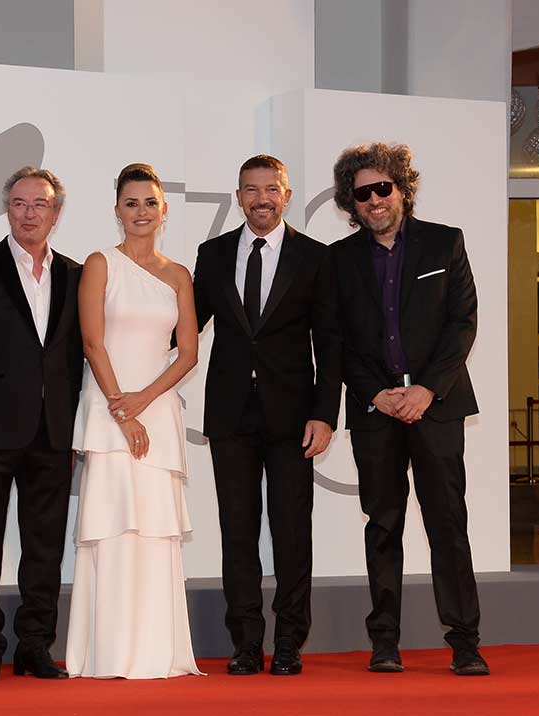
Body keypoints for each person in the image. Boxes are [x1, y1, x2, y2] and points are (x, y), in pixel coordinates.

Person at [330, 143, 489, 676]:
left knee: (448, 524)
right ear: (351, 203)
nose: (375, 199)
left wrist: (426, 390)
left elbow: (462, 322)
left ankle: (465, 642)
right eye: (363, 193)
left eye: (383, 188)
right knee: (383, 523)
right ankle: (385, 642)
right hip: (376, 411)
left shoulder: (445, 243)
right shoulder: (340, 260)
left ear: (402, 188)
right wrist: (375, 392)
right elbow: (337, 341)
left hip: (436, 407)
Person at [191, 155, 341, 676]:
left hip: (293, 418)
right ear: (238, 197)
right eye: (251, 190)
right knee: (237, 532)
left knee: (292, 533)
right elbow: (184, 328)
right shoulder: (211, 256)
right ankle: (246, 643)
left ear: (287, 194)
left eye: (271, 189)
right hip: (230, 416)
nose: (261, 198)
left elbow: (331, 344)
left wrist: (325, 414)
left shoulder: (315, 258)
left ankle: (290, 642)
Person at [65, 163, 203, 679]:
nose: (141, 212)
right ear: (116, 210)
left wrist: (142, 401)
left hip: (156, 410)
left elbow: (187, 353)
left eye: (150, 202)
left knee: (153, 530)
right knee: (113, 526)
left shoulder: (178, 275)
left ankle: (154, 652)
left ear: (163, 209)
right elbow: (92, 342)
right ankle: (107, 652)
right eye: (131, 203)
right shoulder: (101, 263)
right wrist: (123, 410)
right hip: (108, 412)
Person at [0, 167, 83, 682]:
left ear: (56, 212)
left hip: (52, 435)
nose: (30, 213)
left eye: (40, 204)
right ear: (7, 209)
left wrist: (74, 433)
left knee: (44, 549)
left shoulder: (74, 274)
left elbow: (78, 361)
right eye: (20, 203)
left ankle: (34, 646)